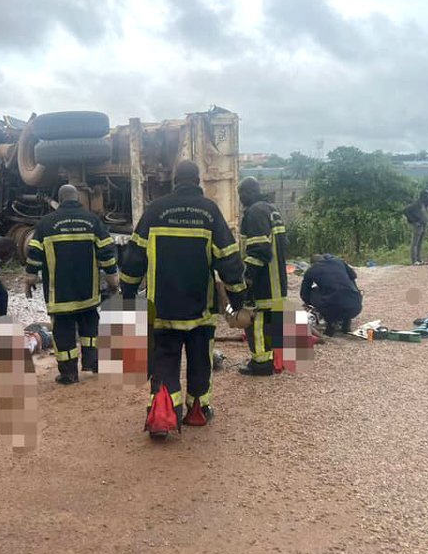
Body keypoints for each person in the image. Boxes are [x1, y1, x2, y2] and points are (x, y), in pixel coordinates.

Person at [120, 160, 247, 435]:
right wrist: (237, 300)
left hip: (163, 308)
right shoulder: (209, 212)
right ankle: (198, 411)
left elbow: (132, 259)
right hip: (199, 310)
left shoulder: (155, 211)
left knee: (164, 360)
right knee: (201, 360)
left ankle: (163, 414)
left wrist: (128, 294)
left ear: (174, 180)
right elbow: (229, 260)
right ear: (198, 180)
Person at [25, 184, 119, 384]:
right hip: (88, 290)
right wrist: (112, 278)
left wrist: (30, 277)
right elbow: (107, 251)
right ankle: (93, 363)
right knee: (90, 327)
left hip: (60, 292)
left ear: (60, 199)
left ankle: (69, 374)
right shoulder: (92, 221)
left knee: (63, 331)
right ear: (78, 199)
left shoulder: (46, 223)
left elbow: (33, 254)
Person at [236, 176, 288, 376]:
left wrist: (247, 278)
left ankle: (260, 364)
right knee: (270, 323)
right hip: (277, 280)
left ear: (248, 193)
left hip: (264, 282)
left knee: (256, 322)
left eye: (242, 194)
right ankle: (273, 360)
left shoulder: (255, 212)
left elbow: (259, 250)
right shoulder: (271, 209)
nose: (241, 199)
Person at [300, 254, 363, 336]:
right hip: (355, 307)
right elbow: (353, 276)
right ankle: (346, 322)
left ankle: (330, 323)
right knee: (345, 292)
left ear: (312, 263)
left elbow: (304, 292)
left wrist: (308, 303)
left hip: (332, 308)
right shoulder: (338, 262)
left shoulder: (312, 270)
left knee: (313, 292)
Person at [403, 190, 428, 266]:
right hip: (418, 225)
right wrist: (414, 221)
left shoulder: (423, 204)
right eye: (426, 195)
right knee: (415, 243)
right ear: (423, 196)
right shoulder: (417, 203)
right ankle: (414, 260)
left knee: (420, 243)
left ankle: (419, 259)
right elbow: (406, 210)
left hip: (423, 225)